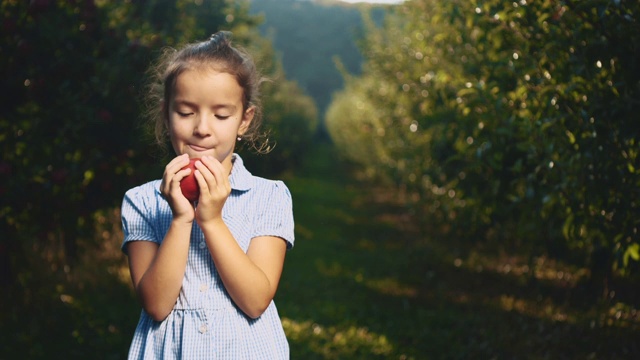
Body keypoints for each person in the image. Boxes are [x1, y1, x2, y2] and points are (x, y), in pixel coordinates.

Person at [120, 31, 294, 359]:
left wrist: (212, 221)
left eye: (221, 114)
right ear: (165, 114)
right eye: (185, 112)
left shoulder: (270, 197)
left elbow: (256, 301)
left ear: (244, 120)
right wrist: (182, 218)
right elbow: (157, 305)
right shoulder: (141, 201)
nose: (202, 127)